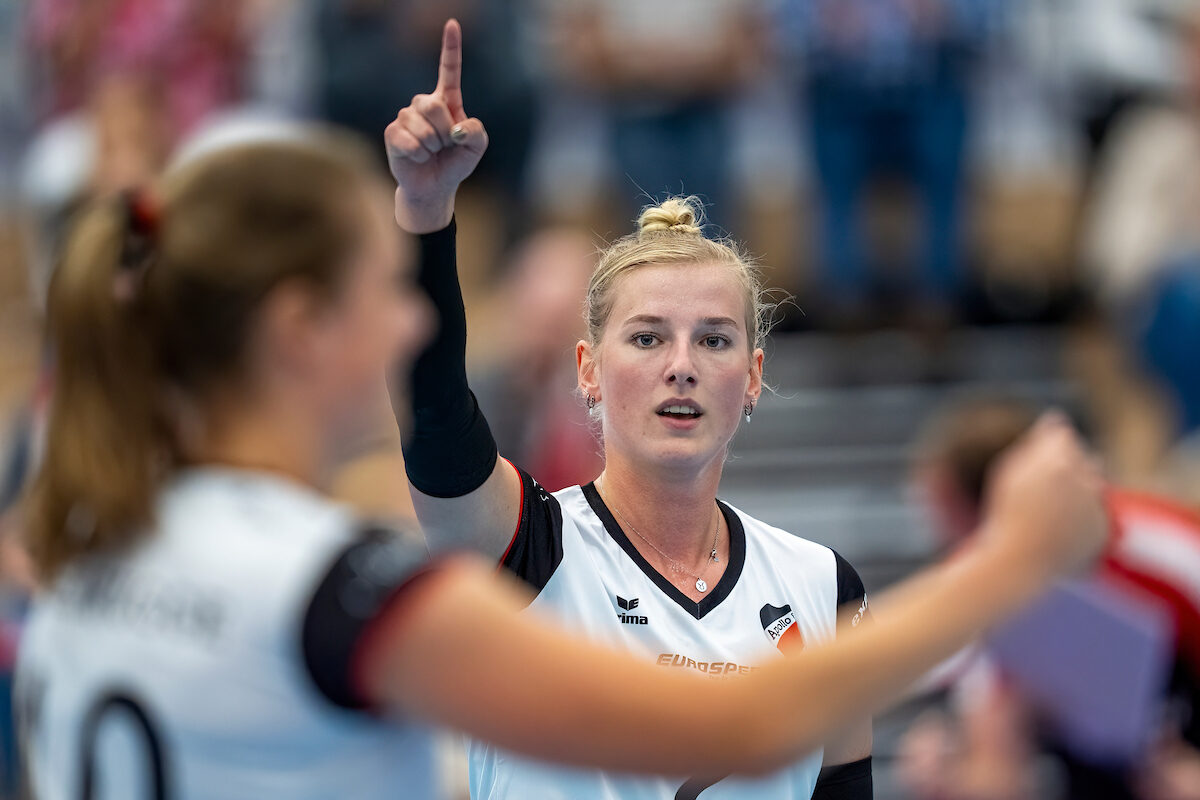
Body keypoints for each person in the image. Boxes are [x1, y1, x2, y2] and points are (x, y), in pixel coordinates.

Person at [15, 23, 1106, 800]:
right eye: (381, 293)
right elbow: (736, 723)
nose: (407, 324)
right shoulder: (343, 581)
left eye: (714, 340)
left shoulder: (91, 552)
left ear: (755, 373)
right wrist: (1012, 560)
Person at [388, 19, 1102, 800]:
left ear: (754, 377)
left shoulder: (819, 582)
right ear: (588, 369)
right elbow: (438, 423)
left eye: (715, 340)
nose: (682, 366)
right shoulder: (532, 544)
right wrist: (428, 213)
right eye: (647, 338)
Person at [901, 395, 1200, 800]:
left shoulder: (1168, 550)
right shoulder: (980, 585)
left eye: (936, 508)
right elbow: (995, 771)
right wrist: (947, 771)